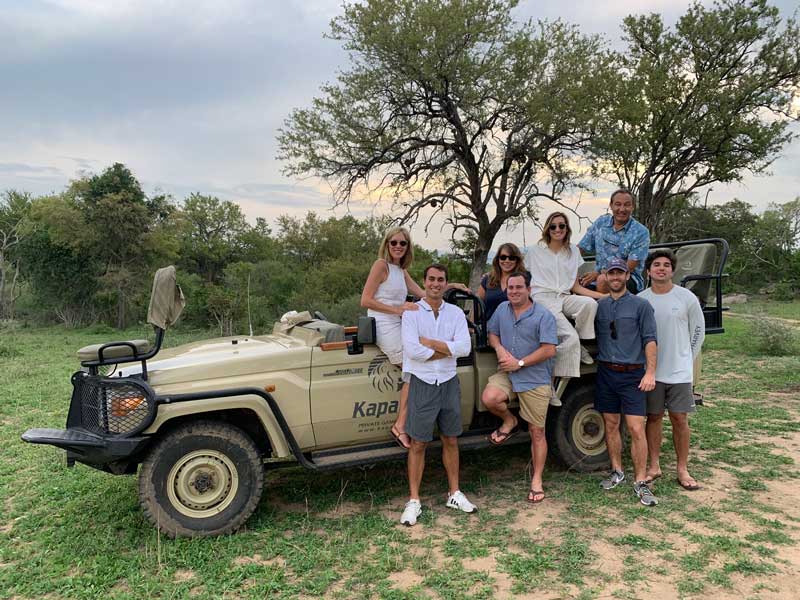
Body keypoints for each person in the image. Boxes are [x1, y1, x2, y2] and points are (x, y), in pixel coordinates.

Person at [399, 264, 475, 526]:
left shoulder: (454, 313)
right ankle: (414, 500)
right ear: (424, 282)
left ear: (446, 284)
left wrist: (430, 343)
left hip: (448, 381)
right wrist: (446, 350)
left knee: (451, 439)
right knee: (418, 443)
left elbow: (464, 348)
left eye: (440, 279)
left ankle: (454, 493)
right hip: (422, 383)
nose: (435, 284)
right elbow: (411, 351)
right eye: (431, 279)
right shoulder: (411, 313)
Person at [481, 271, 558, 503]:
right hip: (508, 374)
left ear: (529, 289)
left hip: (533, 377)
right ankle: (510, 421)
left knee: (537, 432)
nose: (514, 291)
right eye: (510, 288)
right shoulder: (502, 309)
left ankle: (536, 479)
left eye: (519, 288)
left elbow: (549, 349)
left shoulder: (544, 316)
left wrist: (520, 362)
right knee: (490, 398)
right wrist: (499, 349)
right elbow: (492, 333)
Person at [638, 250, 705, 491]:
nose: (662, 268)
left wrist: (687, 359)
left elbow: (698, 331)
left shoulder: (686, 298)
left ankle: (682, 468)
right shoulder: (641, 299)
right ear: (648, 271)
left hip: (679, 371)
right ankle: (654, 465)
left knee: (679, 418)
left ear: (672, 271)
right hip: (652, 372)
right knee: (654, 417)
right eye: (656, 265)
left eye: (666, 265)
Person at [594, 257, 659, 506]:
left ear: (627, 276)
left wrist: (650, 372)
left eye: (620, 273)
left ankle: (641, 481)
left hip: (633, 374)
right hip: (606, 372)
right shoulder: (600, 306)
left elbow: (650, 340)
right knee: (611, 424)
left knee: (635, 428)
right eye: (611, 273)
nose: (616, 277)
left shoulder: (641, 306)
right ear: (605, 276)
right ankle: (617, 470)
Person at [361, 227, 425, 450]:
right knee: (415, 366)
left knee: (417, 366)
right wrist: (398, 309)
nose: (398, 246)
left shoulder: (400, 270)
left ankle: (405, 423)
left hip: (398, 322)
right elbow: (366, 300)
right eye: (394, 242)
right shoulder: (381, 265)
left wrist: (451, 287)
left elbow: (423, 294)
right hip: (383, 323)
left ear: (408, 247)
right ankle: (400, 425)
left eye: (403, 243)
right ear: (387, 244)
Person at [525, 212, 605, 384]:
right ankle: (552, 384)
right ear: (548, 228)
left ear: (567, 228)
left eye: (562, 225)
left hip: (565, 296)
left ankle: (580, 344)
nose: (557, 229)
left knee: (590, 305)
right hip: (543, 298)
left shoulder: (573, 251)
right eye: (553, 226)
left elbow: (575, 287)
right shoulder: (535, 250)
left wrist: (602, 296)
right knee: (569, 338)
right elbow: (521, 274)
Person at [578, 189, 650, 294]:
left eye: (627, 205)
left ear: (633, 207)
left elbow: (629, 266)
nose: (622, 209)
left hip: (627, 278)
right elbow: (580, 248)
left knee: (603, 280)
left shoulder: (641, 232)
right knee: (575, 284)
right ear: (611, 206)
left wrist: (598, 274)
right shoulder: (601, 223)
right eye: (618, 204)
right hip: (598, 277)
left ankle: (606, 309)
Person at [477, 243, 526, 321]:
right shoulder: (488, 279)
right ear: (498, 259)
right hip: (489, 329)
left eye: (511, 258)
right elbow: (477, 304)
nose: (507, 261)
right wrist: (470, 327)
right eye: (503, 257)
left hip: (517, 328)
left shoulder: (525, 279)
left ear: (517, 260)